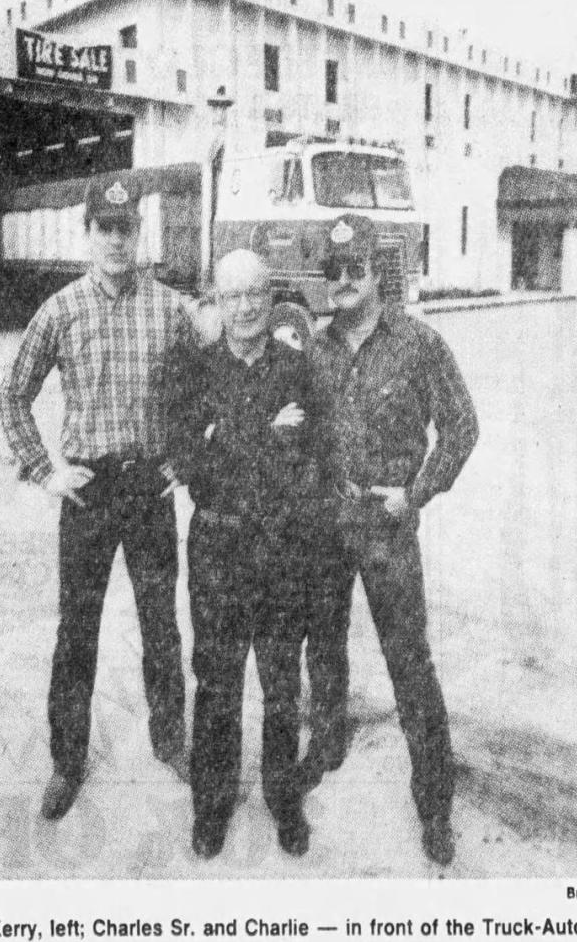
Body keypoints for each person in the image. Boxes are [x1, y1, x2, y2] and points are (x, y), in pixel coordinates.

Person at [0, 176, 190, 821]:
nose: (115, 240)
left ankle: (171, 741)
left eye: (125, 228)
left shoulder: (168, 308)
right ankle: (67, 761)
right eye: (104, 229)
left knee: (161, 623)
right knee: (76, 631)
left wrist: (182, 461)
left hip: (148, 488)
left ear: (139, 234)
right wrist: (43, 469)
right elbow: (13, 394)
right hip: (87, 493)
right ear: (88, 235)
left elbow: (208, 386)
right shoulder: (61, 309)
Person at [302, 213, 479, 867]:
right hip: (327, 524)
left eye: (357, 270)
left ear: (379, 273)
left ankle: (434, 802)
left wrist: (417, 491)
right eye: (335, 273)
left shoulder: (418, 344)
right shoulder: (314, 348)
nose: (345, 282)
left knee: (409, 660)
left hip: (387, 524)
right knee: (322, 645)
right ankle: (325, 746)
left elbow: (461, 426)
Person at [163, 249, 332, 860]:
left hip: (283, 544)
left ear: (270, 296)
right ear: (216, 299)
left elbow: (314, 451)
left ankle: (284, 799)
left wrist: (223, 434)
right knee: (217, 679)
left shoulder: (298, 368)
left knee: (282, 680)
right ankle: (212, 803)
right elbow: (183, 453)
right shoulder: (196, 369)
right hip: (218, 542)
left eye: (256, 293)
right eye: (232, 296)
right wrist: (259, 431)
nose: (246, 307)